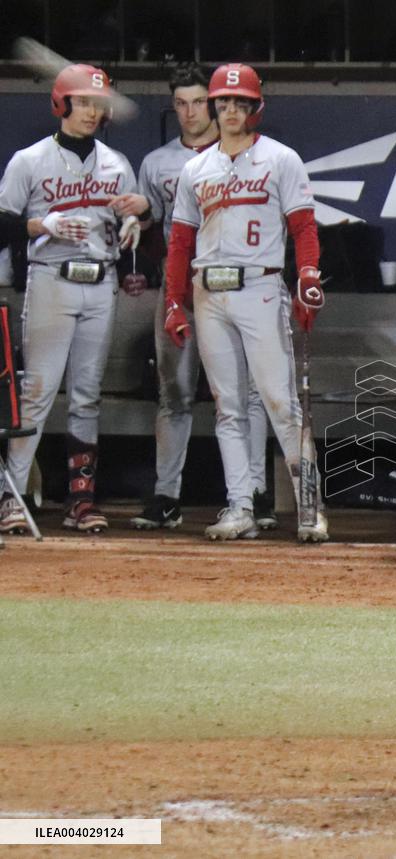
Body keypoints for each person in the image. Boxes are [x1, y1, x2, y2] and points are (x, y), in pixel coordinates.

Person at [163, 62, 327, 542]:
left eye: (240, 102)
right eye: (224, 102)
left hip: (259, 285)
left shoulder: (280, 159)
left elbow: (303, 227)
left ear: (256, 107)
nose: (231, 110)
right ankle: (240, 506)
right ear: (214, 107)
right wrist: (175, 301)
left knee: (280, 402)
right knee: (228, 406)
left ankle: (310, 507)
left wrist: (308, 276)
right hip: (208, 291)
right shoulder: (196, 168)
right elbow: (179, 242)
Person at [0, 64, 150, 534]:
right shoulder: (31, 159)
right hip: (51, 279)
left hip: (100, 281)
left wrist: (132, 226)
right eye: (82, 101)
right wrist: (40, 225)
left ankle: (80, 500)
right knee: (38, 392)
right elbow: (2, 223)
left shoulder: (115, 162)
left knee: (87, 395)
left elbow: (129, 218)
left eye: (97, 104)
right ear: (62, 103)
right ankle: (12, 495)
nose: (90, 112)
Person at [130, 63, 275, 532]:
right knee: (174, 393)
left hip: (236, 285)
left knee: (247, 395)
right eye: (181, 103)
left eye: (198, 101)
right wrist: (143, 225)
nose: (191, 112)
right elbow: (161, 238)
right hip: (185, 286)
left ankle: (255, 492)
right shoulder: (158, 163)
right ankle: (166, 494)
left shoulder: (249, 154)